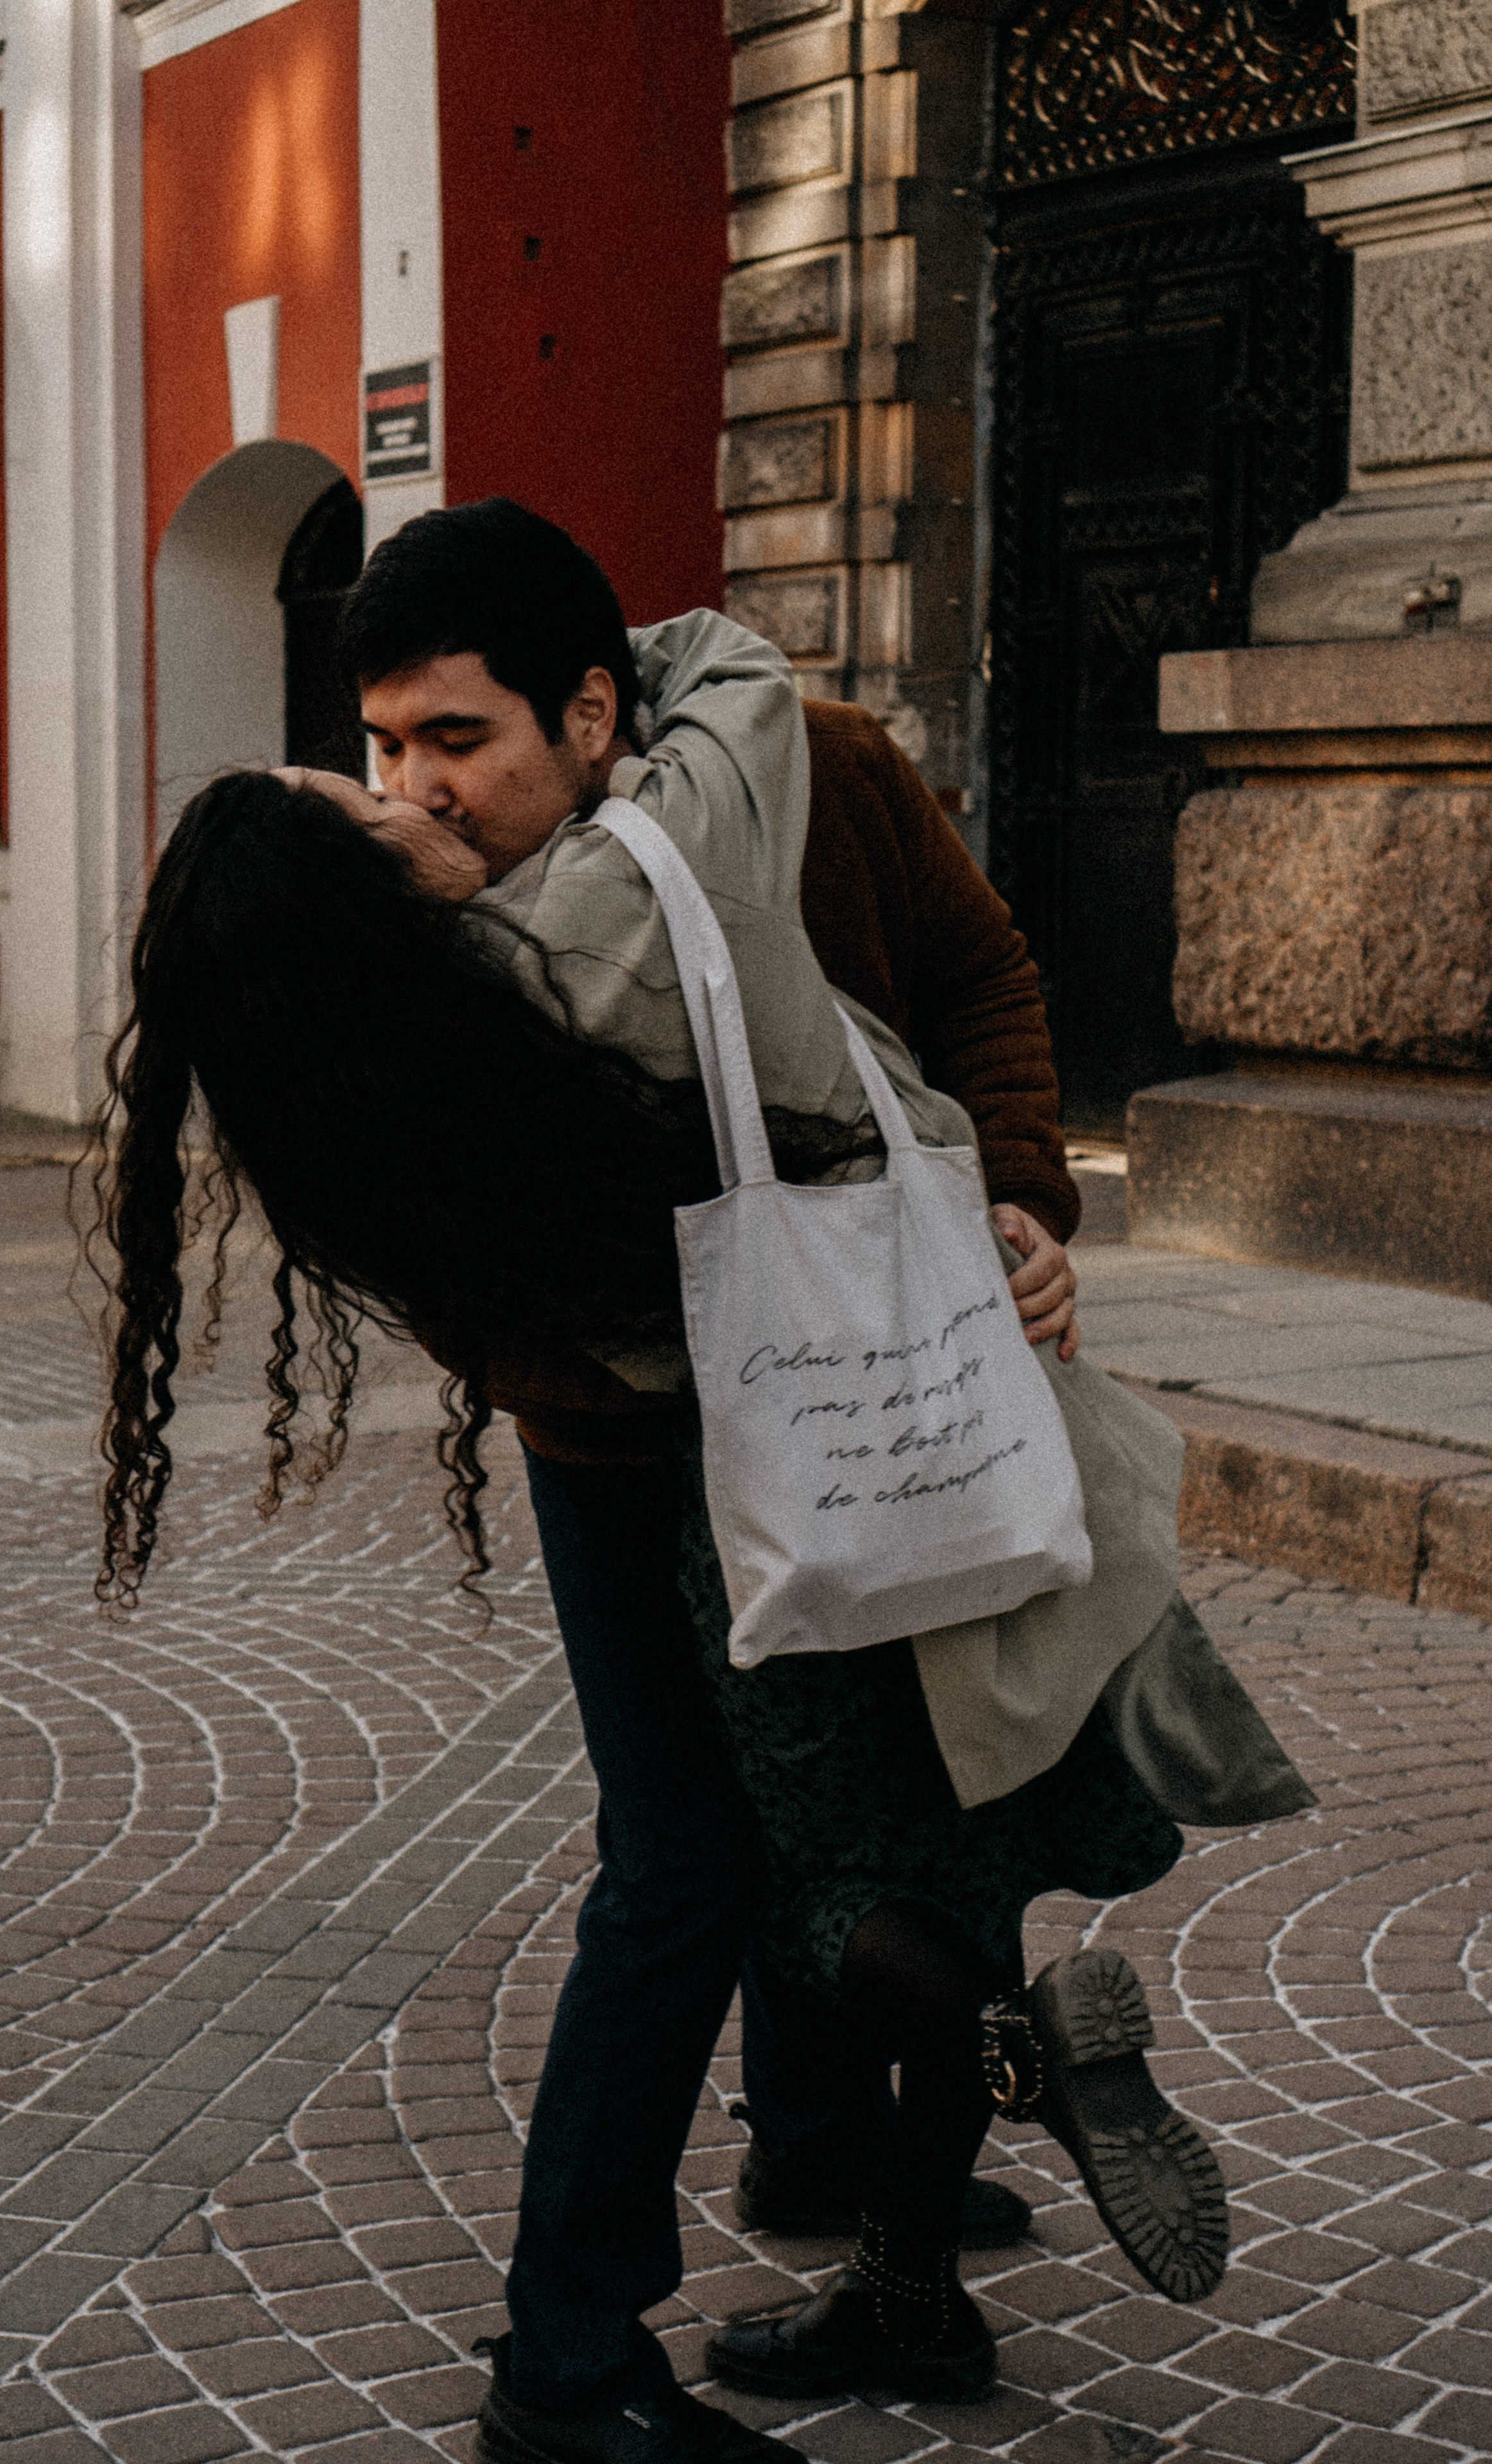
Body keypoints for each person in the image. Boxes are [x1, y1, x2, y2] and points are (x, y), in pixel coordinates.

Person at [90, 508, 1313, 2464]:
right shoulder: (415, 926)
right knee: (737, 1855)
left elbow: (988, 983)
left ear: (592, 711)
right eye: (384, 744)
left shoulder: (818, 771)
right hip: (630, 1462)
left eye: (457, 741)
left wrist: (1017, 1197)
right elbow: (451, 1262)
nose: (418, 792)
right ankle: (861, 2165)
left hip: (878, 1403)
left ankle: (869, 2191)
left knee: (897, 1810)